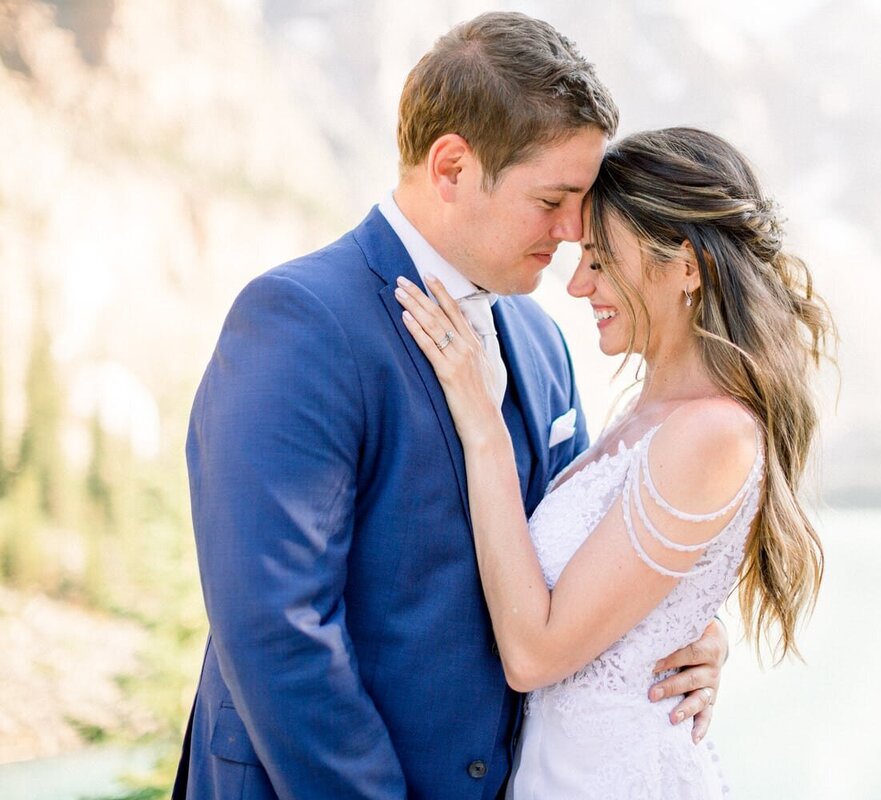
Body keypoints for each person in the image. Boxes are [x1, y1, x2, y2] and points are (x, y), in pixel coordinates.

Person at [174, 14, 728, 800]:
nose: (574, 233)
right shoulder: (298, 322)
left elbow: (574, 566)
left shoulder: (540, 344)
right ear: (452, 167)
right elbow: (278, 630)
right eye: (553, 199)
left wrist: (689, 640)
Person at [393, 126, 832, 798]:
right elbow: (630, 597)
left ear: (686, 266)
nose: (575, 285)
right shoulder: (641, 419)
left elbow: (534, 653)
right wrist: (701, 630)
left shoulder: (712, 432)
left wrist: (483, 427)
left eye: (599, 260)